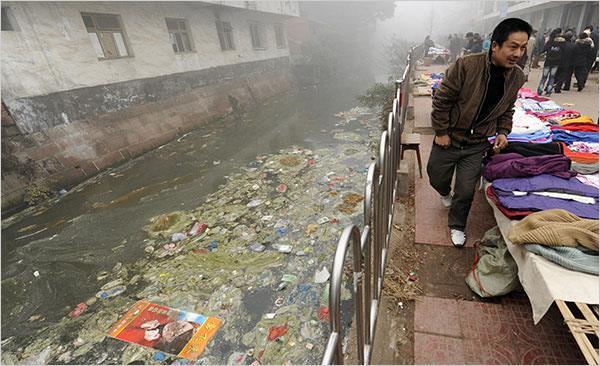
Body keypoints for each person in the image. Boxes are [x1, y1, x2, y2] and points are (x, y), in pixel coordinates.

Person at [427, 18, 531, 247]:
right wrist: (441, 131)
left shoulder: (517, 77)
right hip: (450, 137)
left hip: (477, 143)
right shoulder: (467, 65)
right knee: (435, 176)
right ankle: (444, 192)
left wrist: (503, 131)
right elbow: (442, 100)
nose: (518, 53)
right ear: (495, 45)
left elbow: (508, 108)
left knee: (465, 190)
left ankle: (457, 225)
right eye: (513, 46)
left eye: (523, 48)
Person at [537, 28, 565, 96]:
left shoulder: (550, 41)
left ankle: (540, 91)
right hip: (556, 62)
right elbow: (564, 52)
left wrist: (540, 53)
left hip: (548, 61)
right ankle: (548, 92)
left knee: (544, 77)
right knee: (552, 77)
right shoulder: (562, 42)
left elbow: (544, 49)